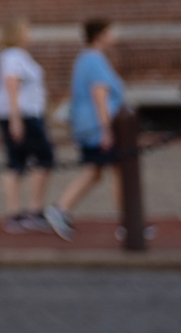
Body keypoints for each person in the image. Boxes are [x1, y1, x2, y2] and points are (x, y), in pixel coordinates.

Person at [45, 21, 126, 241]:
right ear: (100, 35)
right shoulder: (95, 60)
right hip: (97, 126)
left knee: (94, 171)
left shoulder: (84, 58)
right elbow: (99, 96)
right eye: (111, 30)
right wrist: (107, 129)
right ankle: (128, 222)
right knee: (119, 170)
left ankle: (60, 210)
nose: (115, 34)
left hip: (87, 125)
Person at [0, 19, 55, 233]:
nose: (30, 34)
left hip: (23, 114)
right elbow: (12, 86)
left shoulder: (17, 56)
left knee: (18, 160)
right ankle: (30, 211)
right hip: (22, 115)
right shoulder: (12, 56)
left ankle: (17, 213)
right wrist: (15, 120)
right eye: (27, 30)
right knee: (43, 158)